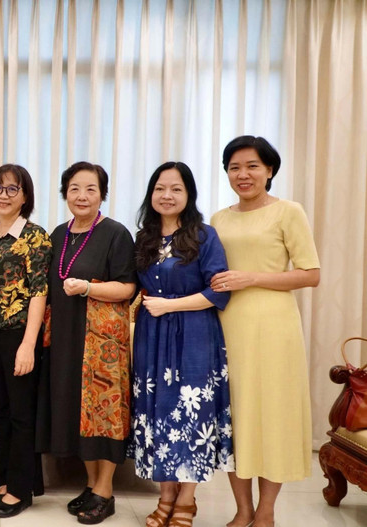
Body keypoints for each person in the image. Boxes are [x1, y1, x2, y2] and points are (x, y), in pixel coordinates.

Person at [209, 136, 320, 527]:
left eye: (252, 166)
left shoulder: (289, 212)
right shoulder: (219, 218)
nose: (243, 174)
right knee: (235, 415)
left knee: (271, 413)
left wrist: (252, 276)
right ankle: (242, 509)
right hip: (227, 325)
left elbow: (311, 274)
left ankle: (266, 511)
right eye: (234, 167)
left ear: (269, 170)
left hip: (274, 326)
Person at [127, 162, 234, 527]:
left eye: (175, 188)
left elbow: (219, 292)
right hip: (151, 336)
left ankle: (187, 500)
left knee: (191, 415)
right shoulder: (144, 238)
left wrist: (170, 305)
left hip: (194, 334)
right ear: (151, 194)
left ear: (188, 195)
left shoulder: (205, 236)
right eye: (160, 188)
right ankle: (166, 495)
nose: (167, 195)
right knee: (156, 413)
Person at [36, 161, 136, 524]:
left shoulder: (115, 233)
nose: (82, 195)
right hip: (64, 335)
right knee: (78, 412)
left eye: (91, 189)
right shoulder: (58, 234)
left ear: (102, 195)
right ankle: (92, 484)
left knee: (104, 413)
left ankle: (105, 491)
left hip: (102, 340)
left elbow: (127, 287)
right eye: (75, 188)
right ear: (65, 193)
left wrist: (90, 288)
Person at [0, 164, 52, 518]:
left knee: (21, 412)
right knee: (2, 410)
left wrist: (28, 344)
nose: (3, 195)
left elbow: (39, 292)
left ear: (25, 196)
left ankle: (19, 490)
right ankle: (13, 480)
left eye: (11, 189)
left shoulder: (35, 236)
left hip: (18, 333)